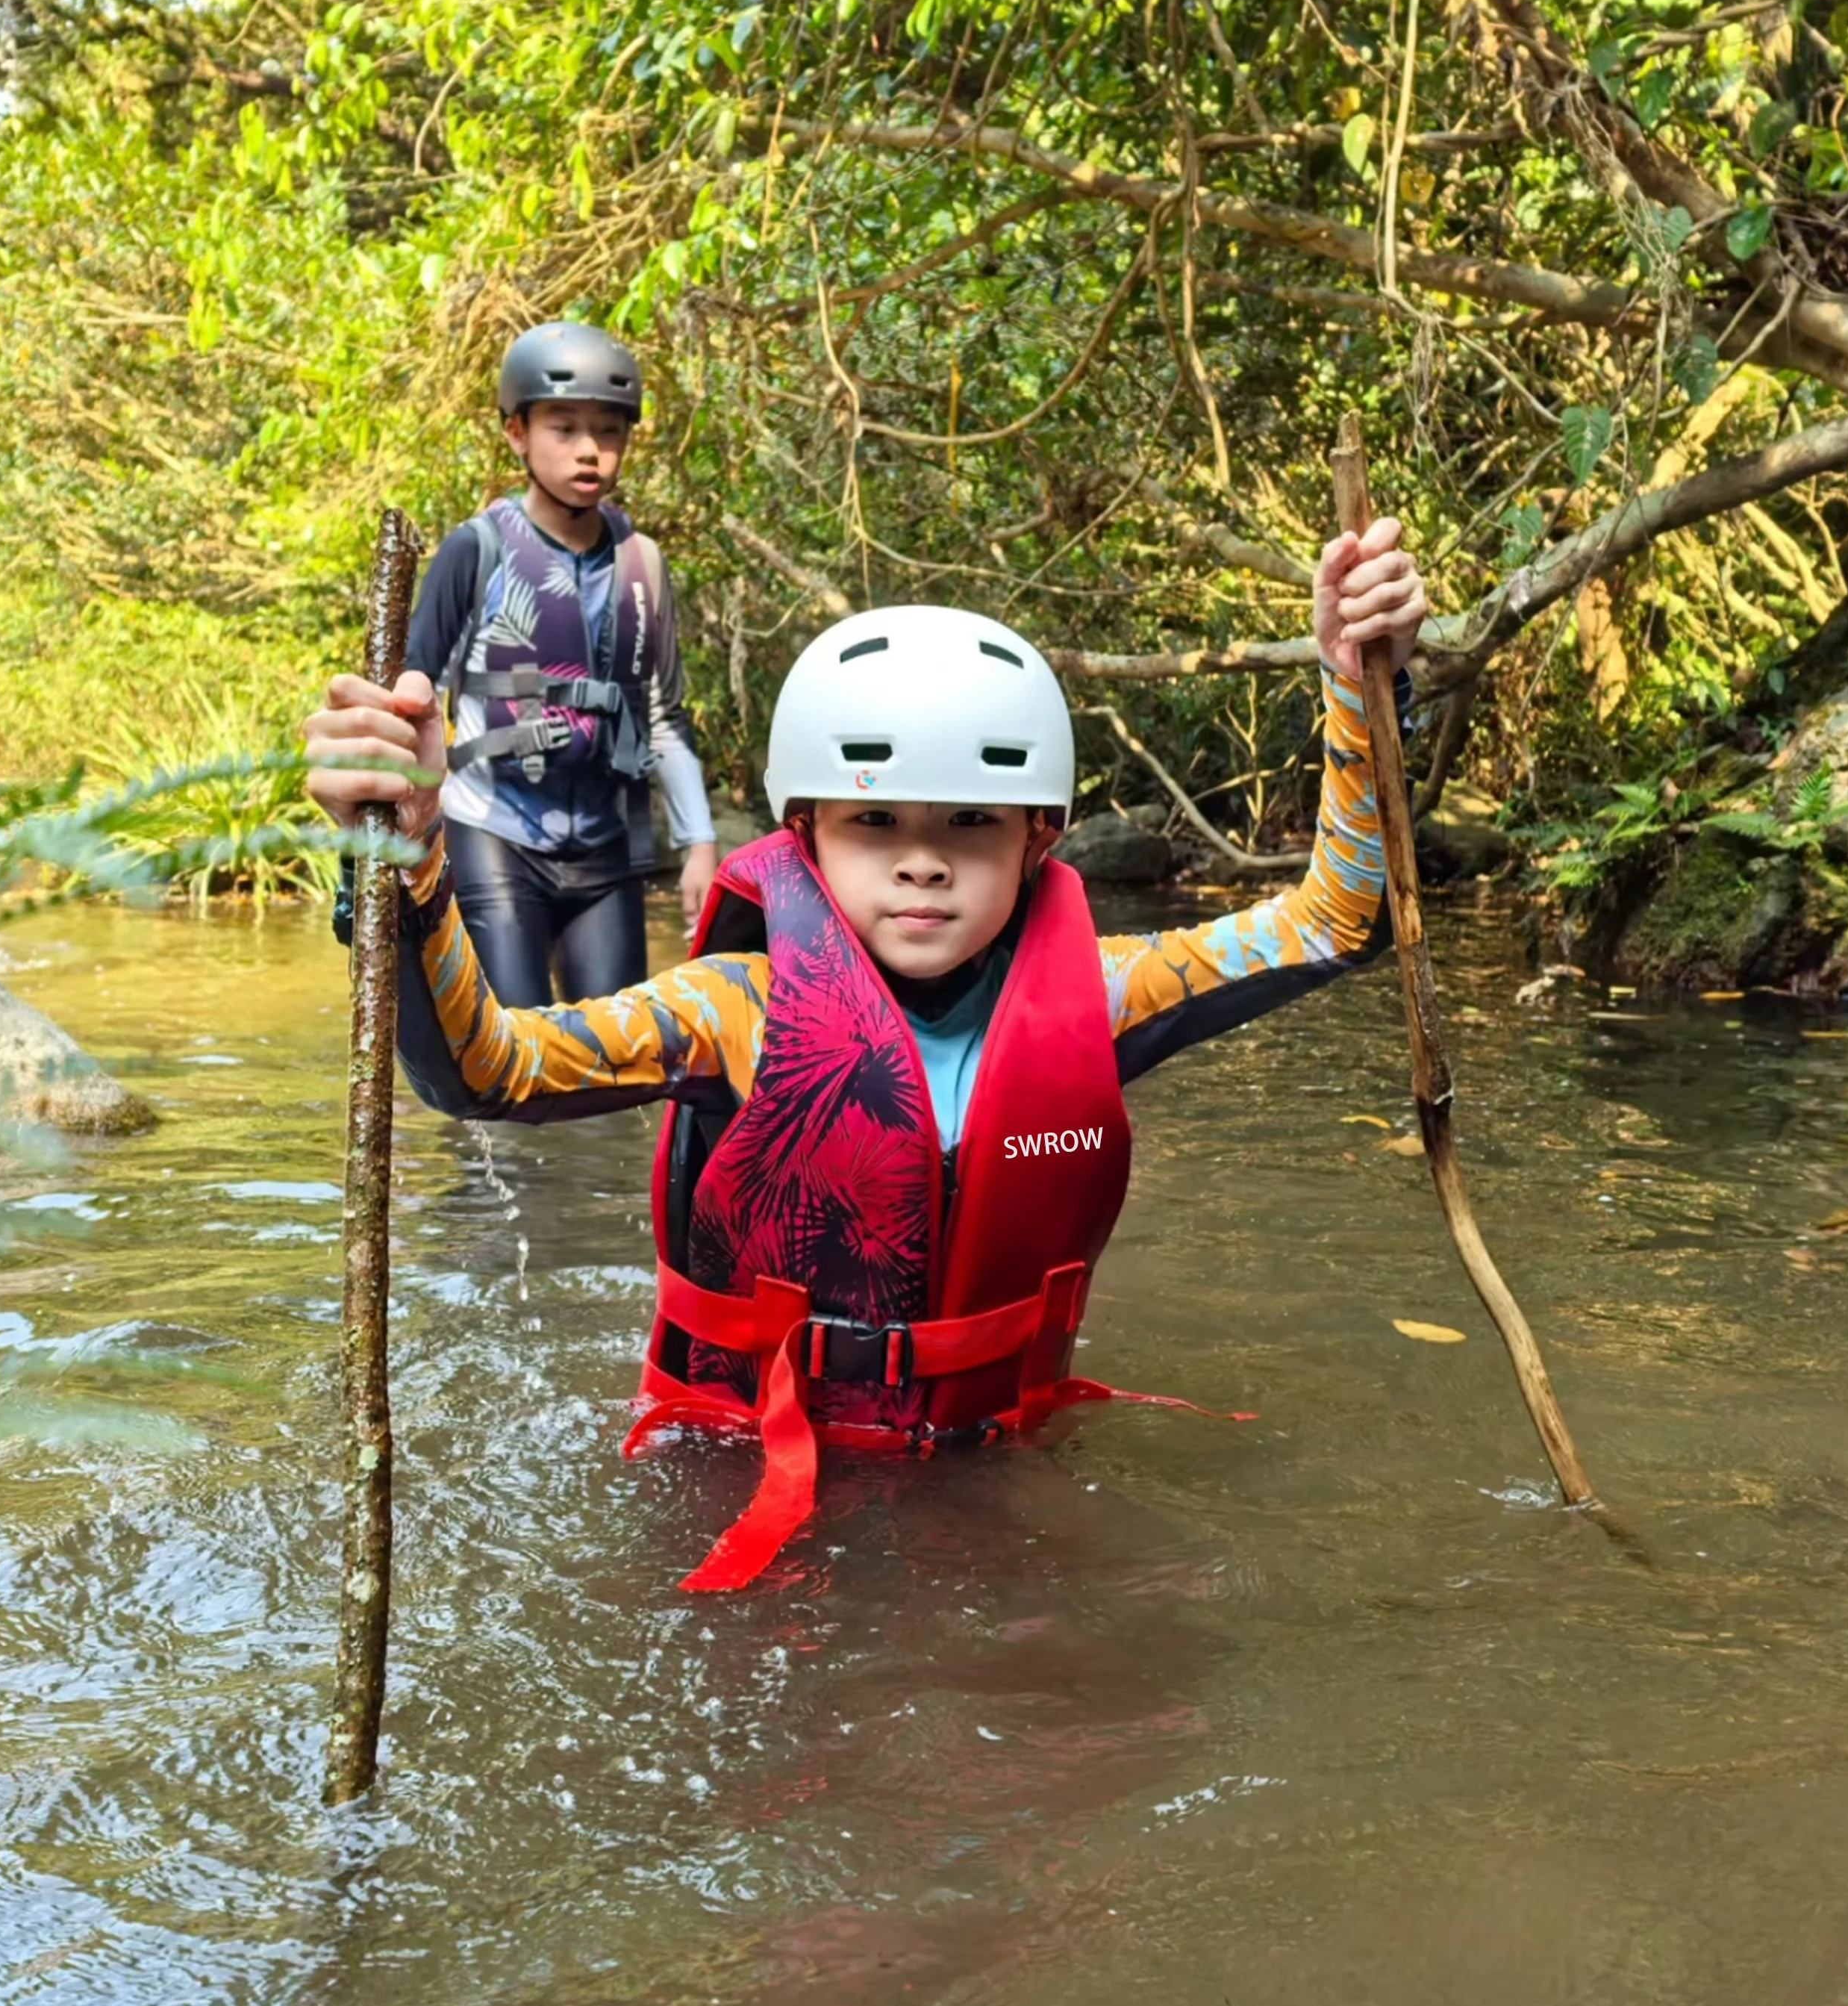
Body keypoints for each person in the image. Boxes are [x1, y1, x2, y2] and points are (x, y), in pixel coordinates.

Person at [305, 519, 1426, 1589]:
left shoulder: (1097, 994)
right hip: (741, 1454)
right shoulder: (734, 1008)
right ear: (805, 834)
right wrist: (404, 870)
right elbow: (487, 1068)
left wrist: (1356, 691)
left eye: (971, 825)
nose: (923, 864)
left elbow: (1333, 924)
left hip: (988, 1456)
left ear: (1041, 838)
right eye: (876, 823)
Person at [329, 320, 719, 1003]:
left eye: (609, 431)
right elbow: (415, 685)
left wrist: (702, 846)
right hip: (494, 836)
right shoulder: (476, 550)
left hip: (607, 848)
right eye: (564, 429)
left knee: (617, 1067)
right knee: (508, 1058)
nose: (590, 451)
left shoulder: (643, 564)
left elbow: (662, 715)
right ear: (517, 433)